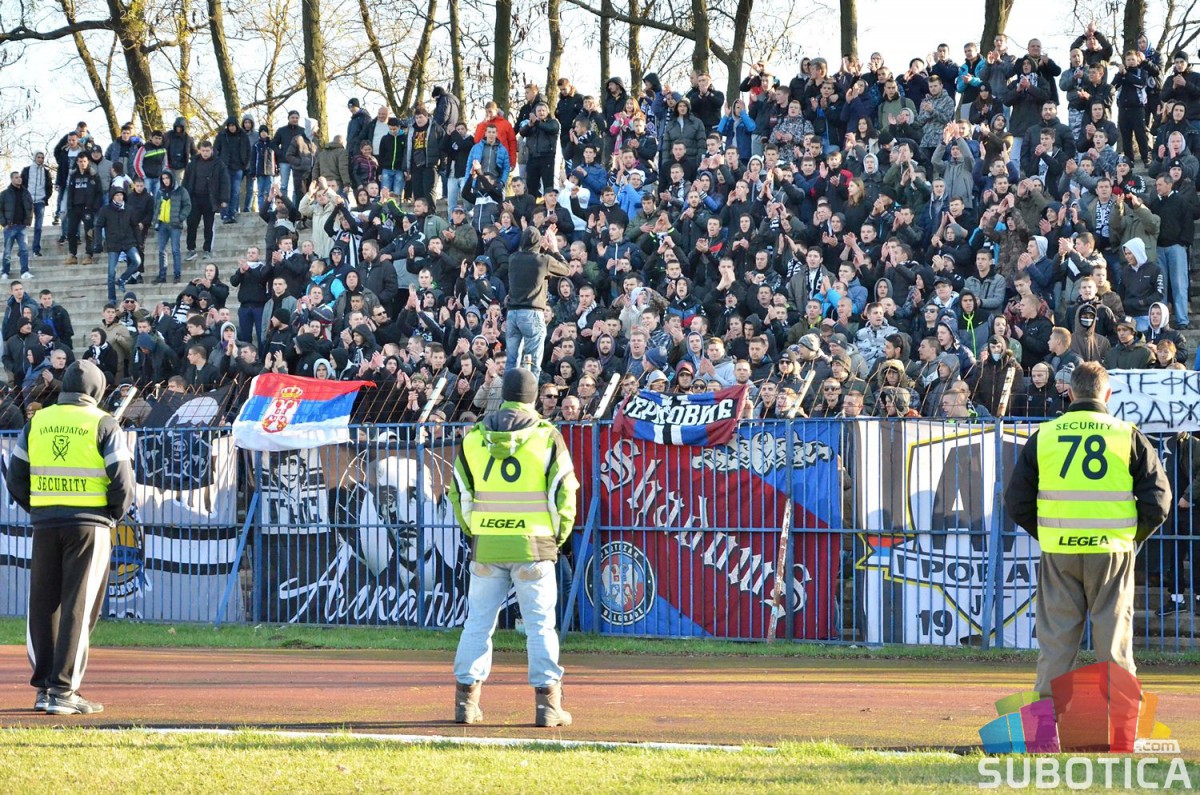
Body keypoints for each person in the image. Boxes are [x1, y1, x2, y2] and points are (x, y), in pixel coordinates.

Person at [1004, 362, 1171, 698]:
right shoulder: (1127, 434)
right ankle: (1122, 725)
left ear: (1069, 392)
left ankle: (1046, 724)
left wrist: (1049, 532)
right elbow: (1159, 502)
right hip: (1111, 551)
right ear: (1107, 394)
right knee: (1114, 641)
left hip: (1060, 551)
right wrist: (1131, 535)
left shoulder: (1045, 436)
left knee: (1056, 643)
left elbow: (1016, 502)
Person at [449, 367, 578, 727]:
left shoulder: (474, 438)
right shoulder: (547, 436)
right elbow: (566, 493)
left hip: (487, 546)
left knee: (477, 624)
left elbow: (458, 493)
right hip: (535, 547)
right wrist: (557, 537)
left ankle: (465, 702)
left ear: (503, 395)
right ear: (534, 397)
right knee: (541, 627)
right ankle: (547, 706)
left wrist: (474, 531)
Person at [5, 360, 136, 715]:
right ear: (97, 390)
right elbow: (123, 482)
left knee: (44, 604)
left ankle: (45, 687)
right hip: (90, 525)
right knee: (79, 605)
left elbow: (15, 478)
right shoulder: (103, 423)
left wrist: (39, 507)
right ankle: (63, 691)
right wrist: (111, 515)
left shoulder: (37, 422)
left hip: (45, 523)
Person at [505, 227, 570, 377]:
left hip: (512, 314)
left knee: (512, 361)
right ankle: (530, 391)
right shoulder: (544, 260)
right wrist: (554, 249)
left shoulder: (513, 259)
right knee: (532, 361)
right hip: (532, 314)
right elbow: (566, 270)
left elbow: (531, 260)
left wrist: (541, 248)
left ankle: (509, 391)